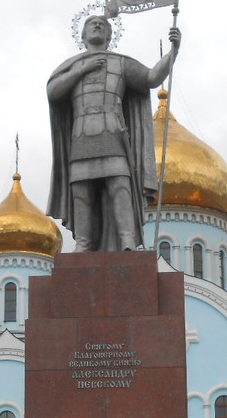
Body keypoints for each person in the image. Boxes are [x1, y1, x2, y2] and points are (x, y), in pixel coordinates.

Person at [47, 15, 181, 252]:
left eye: (102, 25)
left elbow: (150, 78)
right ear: (83, 35)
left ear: (109, 36)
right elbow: (53, 92)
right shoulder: (73, 65)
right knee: (81, 190)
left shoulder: (120, 63)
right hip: (81, 135)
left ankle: (127, 241)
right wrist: (83, 69)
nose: (97, 25)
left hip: (112, 133)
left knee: (119, 186)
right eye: (91, 24)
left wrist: (173, 52)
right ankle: (83, 243)